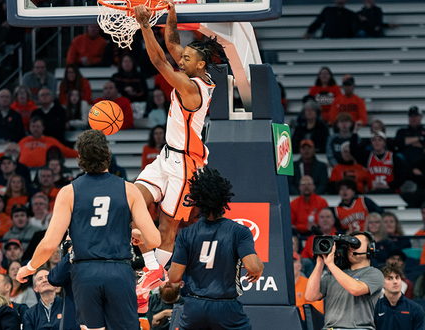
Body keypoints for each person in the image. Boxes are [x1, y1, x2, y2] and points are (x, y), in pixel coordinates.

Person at [16, 129, 161, 330]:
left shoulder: (68, 192)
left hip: (85, 273)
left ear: (80, 157)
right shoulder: (129, 189)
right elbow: (154, 240)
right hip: (119, 270)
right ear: (107, 155)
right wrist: (131, 233)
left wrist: (29, 268)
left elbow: (49, 244)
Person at [133, 0, 224, 296]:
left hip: (185, 166)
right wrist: (171, 14)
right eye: (181, 57)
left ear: (200, 64)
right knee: (132, 199)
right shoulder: (196, 71)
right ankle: (149, 266)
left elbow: (160, 62)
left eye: (186, 58)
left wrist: (145, 25)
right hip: (166, 156)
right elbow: (172, 44)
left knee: (167, 228)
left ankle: (152, 279)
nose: (180, 59)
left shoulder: (192, 89)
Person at [166, 166, 264, 329]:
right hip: (226, 307)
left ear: (197, 200)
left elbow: (175, 277)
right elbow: (253, 266)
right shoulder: (239, 231)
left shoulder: (186, 234)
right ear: (225, 199)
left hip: (195, 308)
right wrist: (258, 270)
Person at [305, 231, 384, 330]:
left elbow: (356, 289)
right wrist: (320, 263)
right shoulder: (333, 274)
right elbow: (310, 296)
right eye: (349, 245)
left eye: (356, 244)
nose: (351, 248)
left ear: (370, 248)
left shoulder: (374, 273)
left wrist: (331, 265)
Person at [0, 117, 78, 169]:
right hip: (24, 170)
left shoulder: (50, 141)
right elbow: (10, 152)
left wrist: (84, 154)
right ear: (29, 128)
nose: (35, 129)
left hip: (42, 170)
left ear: (43, 127)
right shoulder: (24, 141)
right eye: (33, 126)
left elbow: (67, 151)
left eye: (38, 126)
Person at [350, 130, 406, 194]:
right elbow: (353, 150)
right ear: (371, 142)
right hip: (372, 192)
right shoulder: (367, 157)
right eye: (374, 140)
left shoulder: (393, 157)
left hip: (390, 193)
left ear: (384, 142)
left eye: (379, 140)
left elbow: (402, 176)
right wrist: (355, 132)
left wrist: (389, 186)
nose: (377, 142)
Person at [374, 265, 424, 330]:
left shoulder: (415, 309)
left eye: (397, 278)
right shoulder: (375, 308)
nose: (395, 282)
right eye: (390, 278)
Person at [293, 252, 324, 320]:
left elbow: (317, 311)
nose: (290, 264)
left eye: (294, 261)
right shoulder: (279, 287)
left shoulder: (309, 284)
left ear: (300, 266)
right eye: (288, 262)